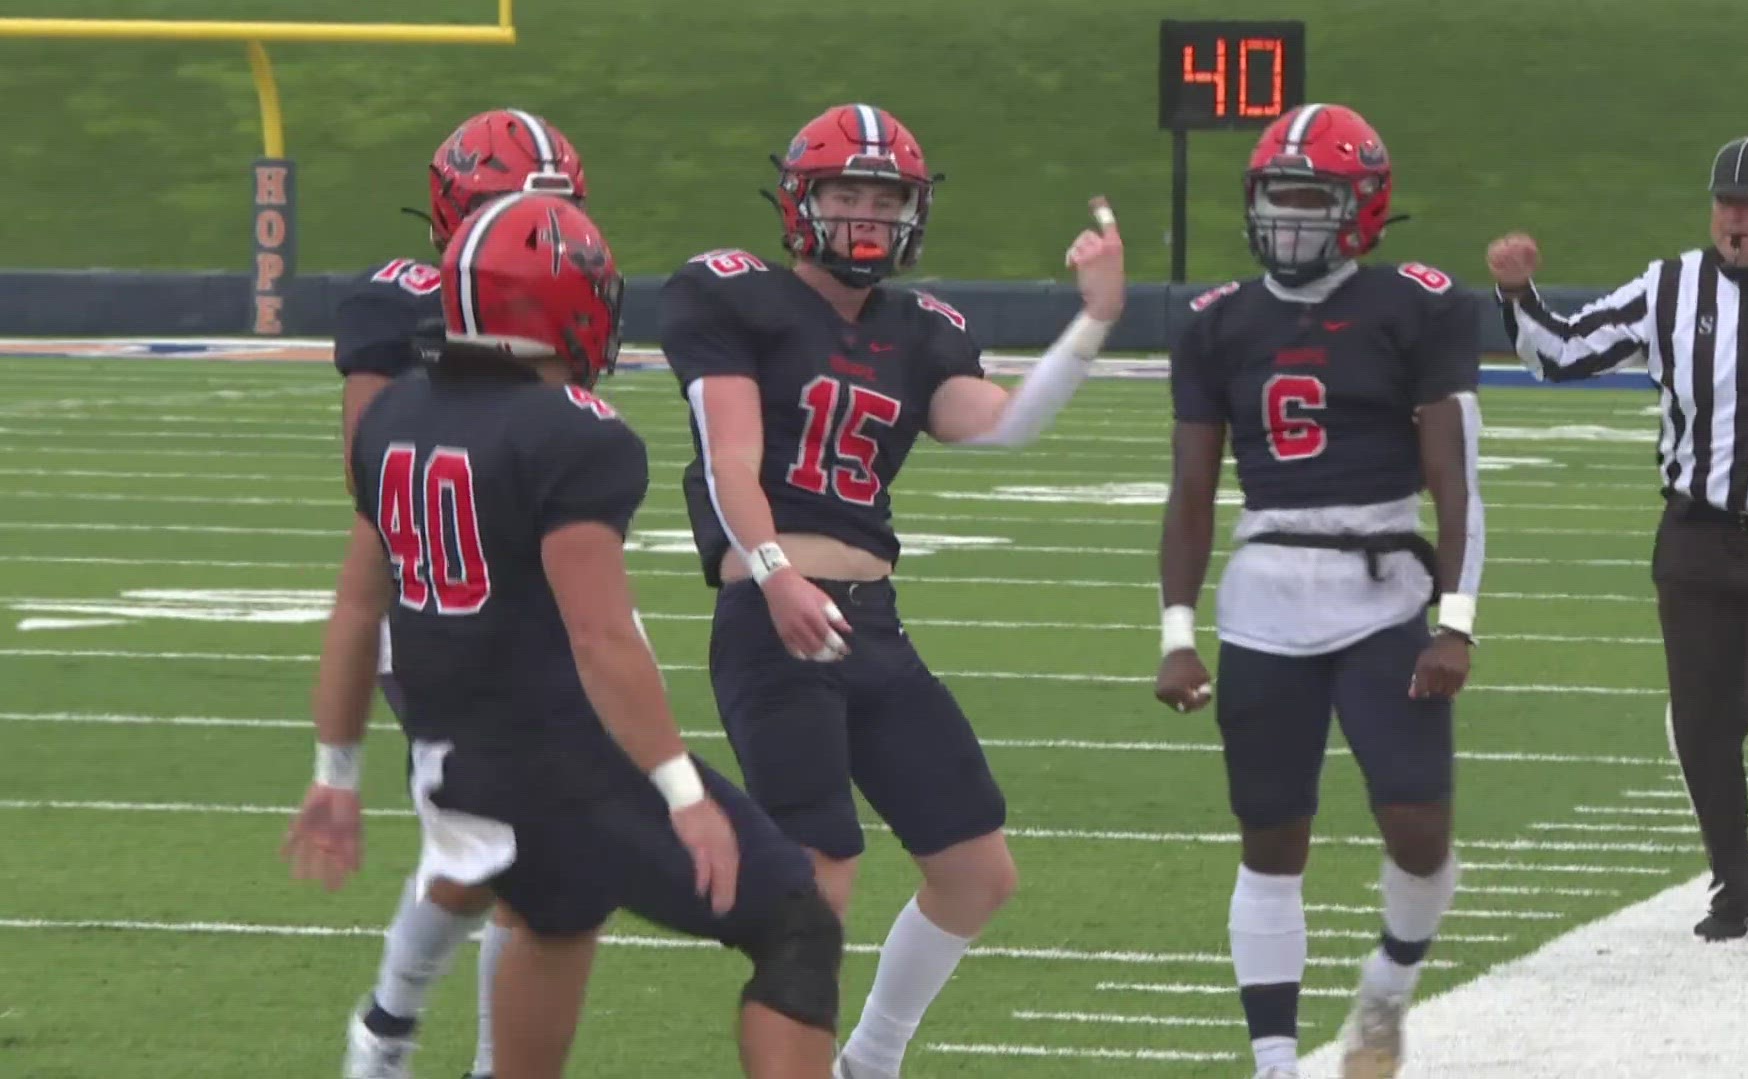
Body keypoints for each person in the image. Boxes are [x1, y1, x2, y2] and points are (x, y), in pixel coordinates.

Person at [285, 192, 843, 1079]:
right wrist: (680, 791)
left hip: (458, 765)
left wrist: (334, 774)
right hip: (566, 764)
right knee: (797, 929)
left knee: (558, 916)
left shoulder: (393, 418)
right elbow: (600, 637)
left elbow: (358, 609)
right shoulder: (573, 436)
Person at [658, 102, 1125, 1079]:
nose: (868, 214)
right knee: (821, 873)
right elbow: (729, 458)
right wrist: (779, 574)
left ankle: (870, 1061)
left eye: (887, 196)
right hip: (774, 611)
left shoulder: (920, 329)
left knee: (975, 871)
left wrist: (1093, 322)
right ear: (801, 200)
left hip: (873, 621)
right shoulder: (732, 295)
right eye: (847, 193)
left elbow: (1001, 425)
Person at [1487, 134, 1748, 940]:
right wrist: (1518, 294)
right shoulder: (1668, 288)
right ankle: (1733, 882)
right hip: (1696, 535)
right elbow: (1563, 353)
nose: (1735, 216)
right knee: (1700, 720)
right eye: (1724, 200)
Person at [1153, 103, 1484, 1079]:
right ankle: (1274, 1063)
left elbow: (1455, 477)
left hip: (1382, 591)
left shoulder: (1417, 305)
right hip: (1263, 596)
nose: (1291, 221)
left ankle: (1387, 985)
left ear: (1363, 208)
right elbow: (1190, 491)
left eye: (1314, 201)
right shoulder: (1217, 323)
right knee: (1270, 841)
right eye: (1278, 199)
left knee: (1419, 831)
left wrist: (1455, 620)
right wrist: (1176, 631)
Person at [329, 107, 588, 1079]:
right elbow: (369, 477)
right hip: (443, 609)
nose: (530, 224)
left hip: (539, 606)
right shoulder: (400, 303)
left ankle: (396, 1027)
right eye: (509, 203)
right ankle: (399, 1030)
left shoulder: (564, 290)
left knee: (508, 866)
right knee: (513, 863)